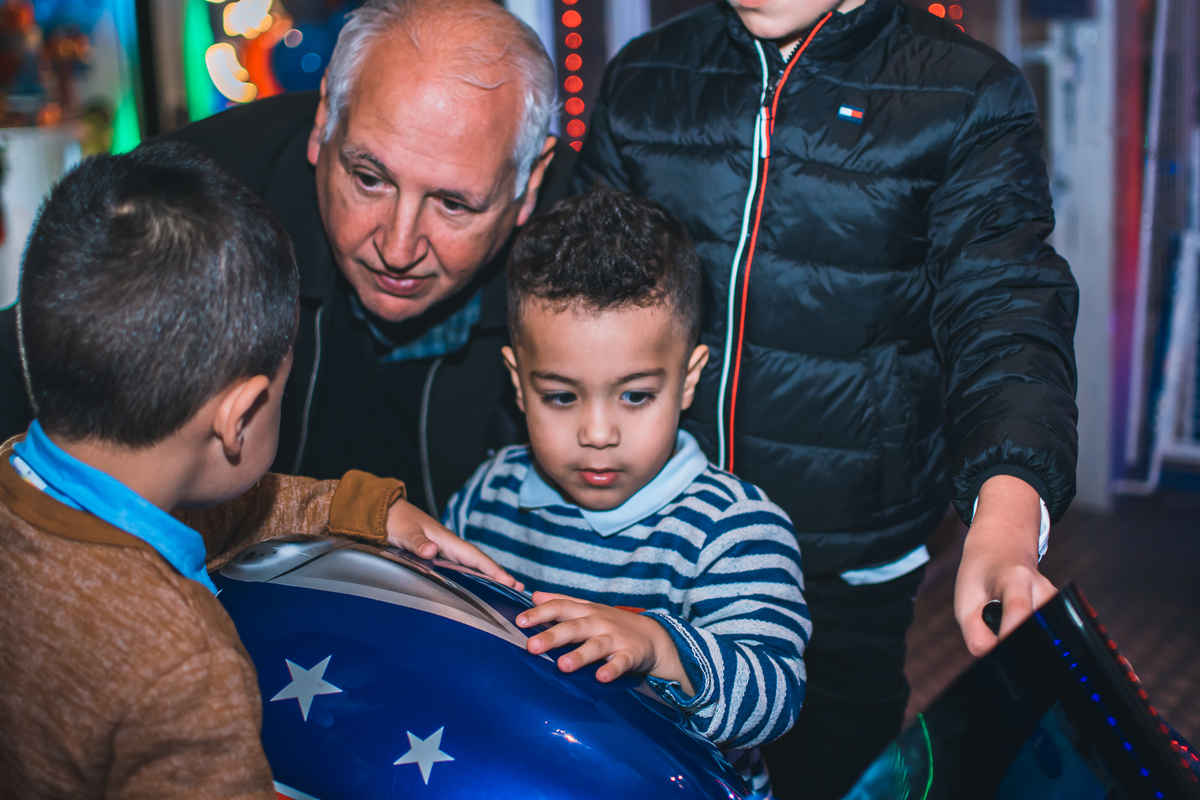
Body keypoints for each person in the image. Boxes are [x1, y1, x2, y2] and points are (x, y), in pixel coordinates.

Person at [573, 1, 1078, 797]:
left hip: (840, 564)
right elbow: (573, 297)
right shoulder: (645, 73)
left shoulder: (968, 91)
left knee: (826, 776)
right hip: (652, 526)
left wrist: (1008, 515)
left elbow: (1004, 306)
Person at [0, 144, 517, 798]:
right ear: (239, 416)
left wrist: (361, 510)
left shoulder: (24, 478)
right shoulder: (181, 665)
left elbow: (207, 510)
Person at [0, 0, 561, 517]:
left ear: (530, 180)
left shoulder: (582, 267)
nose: (397, 249)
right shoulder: (201, 206)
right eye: (368, 179)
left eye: (454, 204)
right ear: (324, 123)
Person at [442, 188, 809, 798]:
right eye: (561, 396)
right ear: (518, 381)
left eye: (635, 395)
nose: (597, 434)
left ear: (688, 380)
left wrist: (657, 645)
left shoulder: (735, 528)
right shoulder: (488, 494)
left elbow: (774, 696)